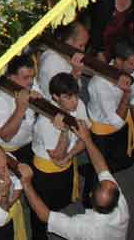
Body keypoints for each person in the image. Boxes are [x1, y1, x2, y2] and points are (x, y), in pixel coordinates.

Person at [20, 120, 130, 240]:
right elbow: (102, 168)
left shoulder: (83, 227)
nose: (108, 179)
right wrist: (87, 139)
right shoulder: (119, 203)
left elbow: (45, 215)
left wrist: (26, 183)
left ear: (90, 194)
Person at [29, 73, 88, 240]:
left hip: (67, 162)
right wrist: (64, 132)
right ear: (55, 97)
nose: (74, 101)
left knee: (60, 200)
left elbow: (85, 137)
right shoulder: (45, 122)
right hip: (45, 171)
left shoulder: (79, 106)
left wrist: (69, 156)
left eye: (75, 96)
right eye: (68, 97)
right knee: (41, 209)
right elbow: (56, 155)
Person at [84, 38, 134, 201]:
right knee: (99, 170)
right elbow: (116, 120)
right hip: (102, 130)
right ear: (118, 61)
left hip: (123, 123)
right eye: (131, 64)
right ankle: (89, 199)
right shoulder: (99, 84)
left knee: (121, 159)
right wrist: (126, 93)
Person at [0, 54, 38, 165]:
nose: (31, 82)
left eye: (33, 76)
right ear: (10, 77)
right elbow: (6, 136)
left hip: (29, 144)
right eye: (25, 78)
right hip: (6, 153)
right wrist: (21, 108)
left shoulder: (29, 85)